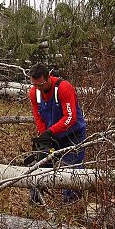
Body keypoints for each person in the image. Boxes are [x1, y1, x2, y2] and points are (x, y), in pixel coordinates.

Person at [27, 62, 86, 205]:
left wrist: (51, 131)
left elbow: (70, 117)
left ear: (48, 77)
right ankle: (36, 201)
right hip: (51, 137)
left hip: (73, 135)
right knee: (39, 166)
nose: (38, 88)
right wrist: (44, 136)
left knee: (70, 170)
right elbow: (38, 117)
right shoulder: (34, 93)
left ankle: (72, 204)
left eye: (40, 85)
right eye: (35, 85)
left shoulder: (64, 88)